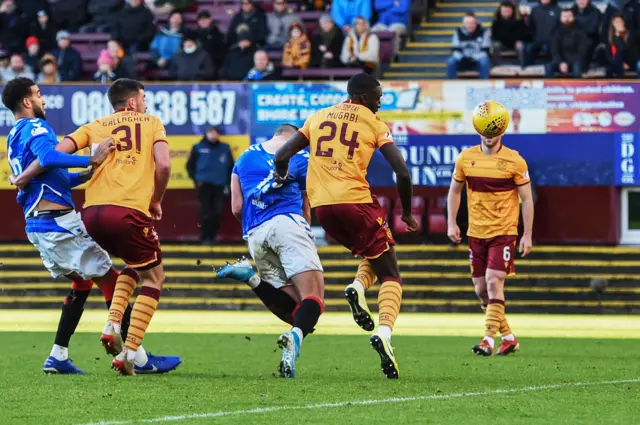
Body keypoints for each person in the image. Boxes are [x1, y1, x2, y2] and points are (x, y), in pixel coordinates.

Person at [4, 77, 181, 375]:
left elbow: (50, 175)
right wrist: (92, 157)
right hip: (59, 223)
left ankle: (58, 355)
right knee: (114, 280)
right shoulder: (36, 127)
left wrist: (88, 172)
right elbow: (48, 158)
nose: (43, 100)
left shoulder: (14, 134)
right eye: (38, 94)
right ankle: (136, 356)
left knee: (83, 282)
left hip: (37, 227)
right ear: (26, 102)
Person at [273, 73, 418, 379]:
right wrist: (405, 212)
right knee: (392, 274)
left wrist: (281, 175)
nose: (379, 103)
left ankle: (357, 285)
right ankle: (385, 332)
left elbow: (282, 154)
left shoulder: (318, 116)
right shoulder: (373, 122)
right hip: (355, 202)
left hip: (324, 210)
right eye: (377, 98)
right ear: (363, 98)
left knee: (377, 250)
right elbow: (402, 173)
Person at [218, 124, 324, 378]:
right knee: (315, 299)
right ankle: (293, 338)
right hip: (287, 222)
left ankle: (250, 277)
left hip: (254, 233)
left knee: (299, 312)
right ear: (295, 137)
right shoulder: (300, 155)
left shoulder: (243, 158)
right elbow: (307, 204)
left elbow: (236, 207)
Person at [446, 115, 534, 357]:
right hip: (476, 233)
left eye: (494, 130)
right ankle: (508, 337)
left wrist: (527, 234)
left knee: (494, 281)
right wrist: (451, 222)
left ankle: (488, 339)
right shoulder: (466, 158)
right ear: (478, 130)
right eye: (485, 129)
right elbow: (454, 192)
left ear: (502, 131)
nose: (489, 134)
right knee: (481, 289)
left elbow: (526, 199)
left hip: (504, 232)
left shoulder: (515, 161)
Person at [186, 127, 234, 244]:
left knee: (218, 211)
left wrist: (228, 183)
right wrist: (196, 180)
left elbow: (231, 167)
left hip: (220, 185)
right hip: (204, 185)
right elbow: (190, 166)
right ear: (206, 134)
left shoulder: (225, 148)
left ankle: (213, 237)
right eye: (210, 133)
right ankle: (204, 237)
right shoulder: (198, 147)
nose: (213, 135)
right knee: (205, 211)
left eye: (215, 133)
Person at [545, 8, 589, 78]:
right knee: (548, 66)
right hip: (561, 61)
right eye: (564, 17)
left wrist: (568, 63)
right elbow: (554, 51)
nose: (567, 19)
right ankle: (551, 87)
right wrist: (561, 62)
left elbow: (582, 51)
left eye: (569, 16)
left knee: (577, 67)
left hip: (576, 61)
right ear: (560, 18)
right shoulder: (556, 32)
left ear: (573, 17)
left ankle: (576, 87)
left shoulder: (580, 31)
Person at [447, 12, 491, 79]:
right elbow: (455, 49)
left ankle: (484, 85)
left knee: (484, 61)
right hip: (462, 60)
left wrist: (473, 58)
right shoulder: (458, 32)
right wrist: (462, 58)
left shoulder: (484, 31)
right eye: (467, 23)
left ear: (476, 23)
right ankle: (452, 84)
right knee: (451, 61)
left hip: (477, 61)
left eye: (472, 23)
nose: (470, 25)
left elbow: (486, 50)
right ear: (464, 24)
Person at [523, 0, 561, 67]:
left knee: (551, 50)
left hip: (552, 42)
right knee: (528, 48)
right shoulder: (535, 10)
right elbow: (531, 27)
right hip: (537, 40)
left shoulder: (558, 10)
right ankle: (528, 71)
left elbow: (560, 28)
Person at [490, 1, 528, 65]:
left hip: (515, 42)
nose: (505, 12)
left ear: (512, 11)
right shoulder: (496, 21)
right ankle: (495, 64)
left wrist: (518, 40)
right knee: (496, 45)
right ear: (500, 11)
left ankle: (523, 65)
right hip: (502, 43)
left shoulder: (519, 20)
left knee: (520, 45)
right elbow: (495, 35)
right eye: (504, 11)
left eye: (507, 11)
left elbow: (523, 34)